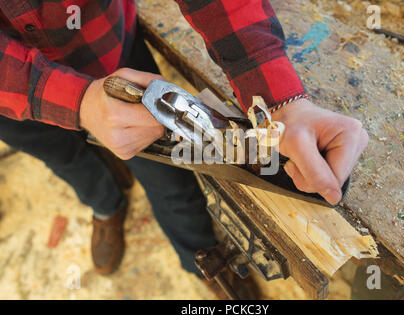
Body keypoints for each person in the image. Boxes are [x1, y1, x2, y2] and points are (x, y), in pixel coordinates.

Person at [0, 0, 368, 276]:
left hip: (112, 54)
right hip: (14, 101)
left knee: (170, 182)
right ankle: (106, 205)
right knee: (67, 160)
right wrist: (77, 101)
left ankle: (198, 258)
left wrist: (280, 98)